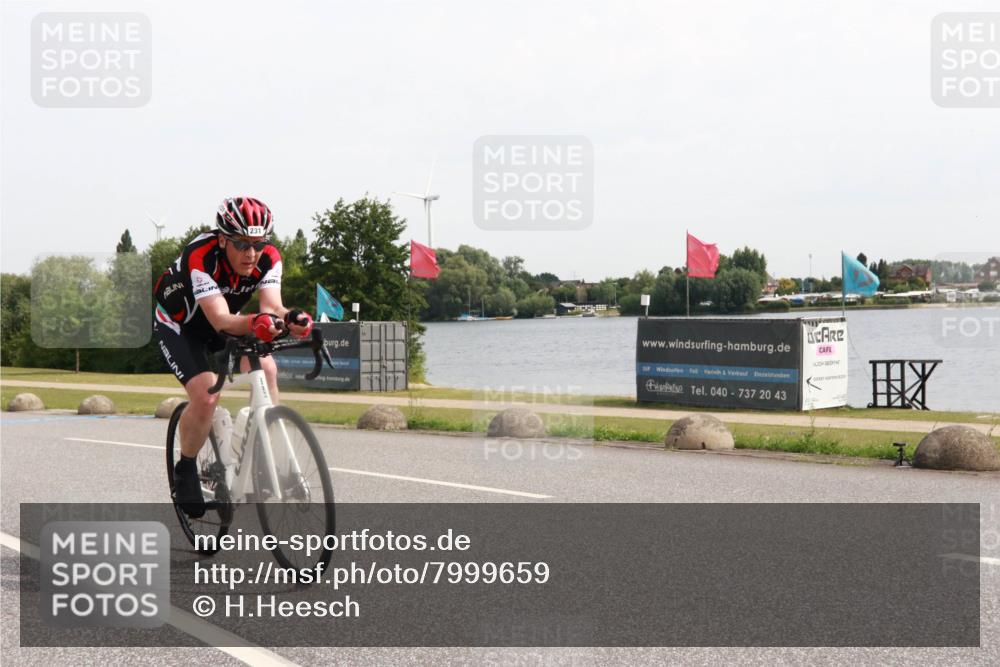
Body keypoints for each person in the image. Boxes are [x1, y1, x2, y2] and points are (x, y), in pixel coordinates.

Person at [153, 196, 314, 517]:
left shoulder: (269, 258)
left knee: (267, 368)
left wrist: (291, 318)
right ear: (223, 239)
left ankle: (262, 453)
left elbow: (272, 306)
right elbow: (220, 320)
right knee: (207, 396)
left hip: (226, 318)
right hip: (181, 326)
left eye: (258, 244)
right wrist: (259, 322)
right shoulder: (201, 256)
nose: (251, 254)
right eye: (241, 244)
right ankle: (186, 467)